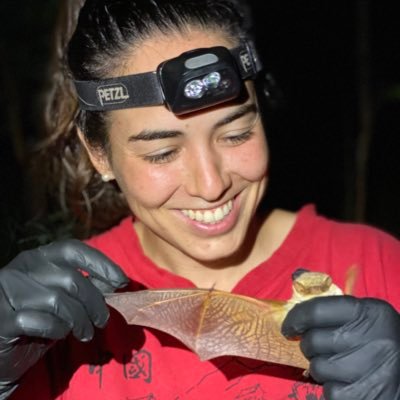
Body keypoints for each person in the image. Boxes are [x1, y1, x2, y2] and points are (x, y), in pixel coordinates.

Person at [0, 0, 399, 399]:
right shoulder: (60, 314)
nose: (210, 186)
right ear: (99, 154)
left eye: (236, 133)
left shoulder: (377, 264)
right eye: (162, 153)